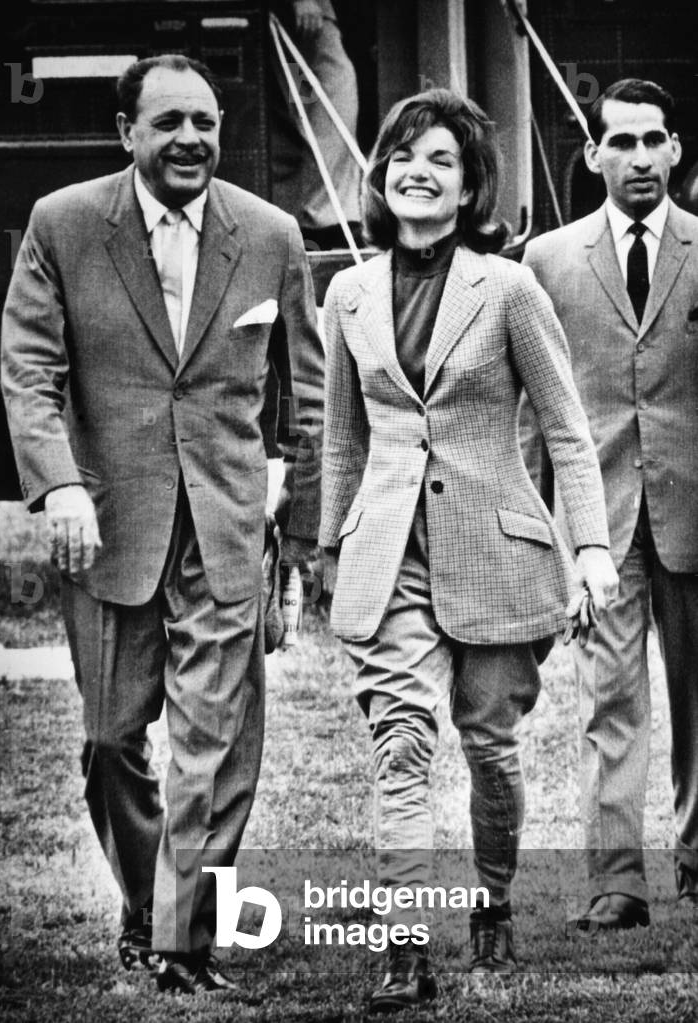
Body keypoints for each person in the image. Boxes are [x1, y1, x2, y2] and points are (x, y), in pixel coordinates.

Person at [0, 54, 323, 994]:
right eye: (169, 121)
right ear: (126, 133)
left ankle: (182, 942)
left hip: (224, 527)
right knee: (110, 739)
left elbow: (299, 397)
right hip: (105, 525)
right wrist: (58, 485)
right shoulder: (63, 225)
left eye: (206, 122)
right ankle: (150, 905)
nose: (191, 139)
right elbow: (27, 372)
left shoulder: (269, 234)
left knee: (215, 742)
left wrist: (292, 526)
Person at [319, 88, 616, 1011]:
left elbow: (567, 432)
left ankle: (490, 904)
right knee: (402, 741)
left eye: (440, 159)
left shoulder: (510, 288)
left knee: (489, 746)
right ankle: (403, 949)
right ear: (380, 175)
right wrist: (330, 550)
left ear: (467, 185)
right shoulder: (348, 291)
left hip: (496, 552)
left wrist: (594, 547)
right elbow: (340, 440)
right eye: (403, 155)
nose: (418, 170)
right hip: (387, 555)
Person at [521, 78, 698, 931]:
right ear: (590, 153)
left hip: (695, 514)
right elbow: (531, 407)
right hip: (597, 527)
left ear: (674, 149)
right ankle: (616, 881)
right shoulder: (546, 261)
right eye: (619, 141)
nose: (638, 157)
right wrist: (531, 527)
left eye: (652, 140)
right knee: (608, 702)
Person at [270, 0, 362, 248]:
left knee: (307, 107)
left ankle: (317, 215)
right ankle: (326, 216)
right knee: (331, 99)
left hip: (300, 19)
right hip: (303, 20)